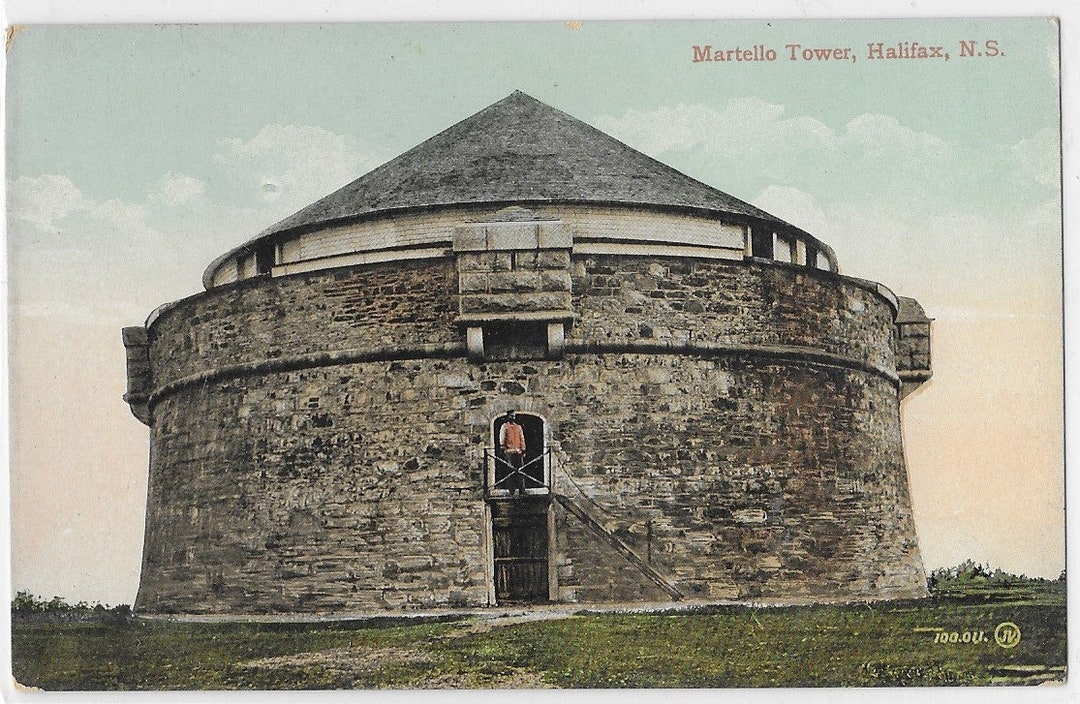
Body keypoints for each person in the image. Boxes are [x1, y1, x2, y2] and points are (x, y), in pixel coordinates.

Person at [499, 410, 526, 496]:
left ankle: (522, 490)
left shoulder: (518, 427)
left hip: (518, 452)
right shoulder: (505, 427)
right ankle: (511, 490)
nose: (513, 418)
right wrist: (503, 448)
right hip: (509, 452)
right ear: (508, 417)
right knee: (511, 471)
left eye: (514, 416)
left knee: (520, 471)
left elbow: (522, 438)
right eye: (511, 416)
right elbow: (502, 438)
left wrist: (523, 449)